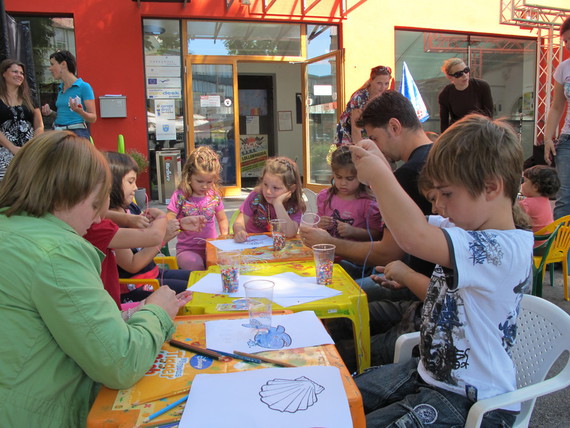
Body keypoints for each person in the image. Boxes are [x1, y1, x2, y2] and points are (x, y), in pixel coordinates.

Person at [350, 114, 533, 427]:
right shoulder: (464, 226)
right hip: (429, 375)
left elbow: (414, 236)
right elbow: (410, 221)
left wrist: (380, 178)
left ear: (491, 187)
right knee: (335, 395)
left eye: (447, 194)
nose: (439, 207)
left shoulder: (504, 248)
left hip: (474, 401)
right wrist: (382, 165)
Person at [0, 131, 192, 426]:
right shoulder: (57, 252)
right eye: (95, 203)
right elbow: (121, 363)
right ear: (68, 194)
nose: (100, 214)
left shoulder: (14, 231)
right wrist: (157, 311)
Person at [300, 91, 434, 295]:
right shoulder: (434, 156)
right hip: (427, 280)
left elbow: (387, 253)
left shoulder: (411, 173)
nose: (376, 146)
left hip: (419, 287)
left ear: (395, 127)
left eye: (375, 138)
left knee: (331, 293)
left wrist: (328, 242)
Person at [104, 152, 192, 303]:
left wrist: (180, 224)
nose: (136, 187)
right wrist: (162, 238)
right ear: (112, 184)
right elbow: (132, 264)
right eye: (130, 182)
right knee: (196, 291)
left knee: (201, 279)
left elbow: (147, 237)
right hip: (135, 289)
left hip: (153, 275)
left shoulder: (130, 208)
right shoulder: (109, 223)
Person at [167, 146, 228, 270]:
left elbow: (222, 219)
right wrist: (177, 223)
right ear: (189, 177)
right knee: (196, 266)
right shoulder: (181, 195)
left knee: (225, 266)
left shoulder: (213, 195)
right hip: (187, 249)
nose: (205, 186)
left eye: (209, 182)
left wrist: (224, 238)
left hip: (211, 247)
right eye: (200, 181)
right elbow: (169, 216)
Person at [317, 145, 383, 241]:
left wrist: (353, 231)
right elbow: (316, 226)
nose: (343, 183)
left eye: (350, 178)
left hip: (355, 254)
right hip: (329, 252)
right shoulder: (325, 197)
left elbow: (377, 235)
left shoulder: (368, 203)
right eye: (339, 177)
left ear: (361, 176)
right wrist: (320, 224)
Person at [233, 156, 305, 242]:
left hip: (279, 246)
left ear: (292, 189)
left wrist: (278, 204)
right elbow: (239, 222)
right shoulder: (256, 197)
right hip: (253, 244)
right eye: (265, 184)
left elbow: (290, 233)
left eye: (275, 188)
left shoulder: (294, 205)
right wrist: (239, 231)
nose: (268, 191)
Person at [544, 17, 570, 220]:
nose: (568, 45)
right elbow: (556, 107)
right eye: (565, 41)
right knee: (564, 200)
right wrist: (547, 139)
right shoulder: (563, 67)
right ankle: (560, 251)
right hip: (567, 140)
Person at [0, 59, 43, 180]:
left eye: (21, 73)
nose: (19, 75)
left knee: (28, 185)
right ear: (4, 73)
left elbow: (39, 125)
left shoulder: (29, 97)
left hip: (29, 152)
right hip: (3, 154)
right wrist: (12, 148)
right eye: (15, 72)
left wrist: (33, 145)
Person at [41, 50, 96, 139]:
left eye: (52, 64)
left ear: (63, 64)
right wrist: (50, 113)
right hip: (58, 132)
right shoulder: (60, 88)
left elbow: (93, 118)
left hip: (76, 134)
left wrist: (80, 112)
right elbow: (64, 115)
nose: (50, 68)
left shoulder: (84, 87)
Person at [335, 65, 392, 145]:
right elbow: (355, 129)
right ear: (371, 81)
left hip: (368, 138)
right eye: (379, 83)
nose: (383, 87)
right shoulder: (359, 98)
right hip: (349, 138)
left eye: (386, 84)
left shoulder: (384, 98)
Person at [438, 57, 493, 133]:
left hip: (480, 130)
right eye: (458, 74)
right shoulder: (445, 94)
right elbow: (444, 123)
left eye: (466, 70)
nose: (464, 75)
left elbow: (489, 115)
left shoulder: (482, 86)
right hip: (458, 132)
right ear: (450, 77)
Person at [518, 165, 560, 233]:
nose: (522, 184)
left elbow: (513, 218)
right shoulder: (545, 199)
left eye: (525, 181)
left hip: (535, 241)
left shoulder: (527, 204)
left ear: (535, 187)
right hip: (548, 240)